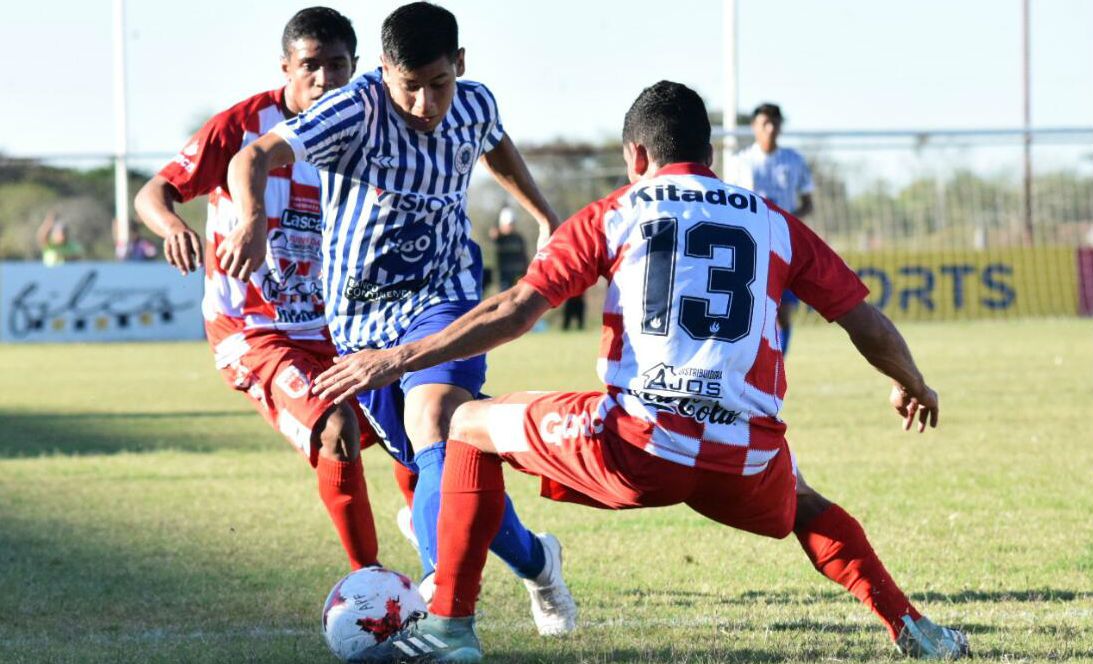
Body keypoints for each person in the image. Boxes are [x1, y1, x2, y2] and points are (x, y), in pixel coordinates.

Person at [317, 81, 971, 663]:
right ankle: (914, 629)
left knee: (460, 424)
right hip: (743, 459)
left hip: (634, 446)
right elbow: (864, 320)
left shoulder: (616, 212)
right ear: (708, 152)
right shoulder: (774, 223)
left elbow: (517, 310)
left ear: (635, 155)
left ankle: (451, 628)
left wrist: (397, 359)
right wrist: (911, 381)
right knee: (806, 505)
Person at [224, 2, 576, 636]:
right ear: (383, 71)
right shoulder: (352, 110)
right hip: (360, 322)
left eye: (438, 84)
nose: (423, 102)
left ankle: (442, 602)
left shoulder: (472, 102)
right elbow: (251, 159)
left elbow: (492, 142)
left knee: (438, 418)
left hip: (445, 297)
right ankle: (538, 561)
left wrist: (544, 214)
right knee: (438, 460)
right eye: (408, 85)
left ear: (459, 67)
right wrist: (251, 219)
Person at [134, 7, 384, 572]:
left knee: (415, 425)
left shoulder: (370, 132)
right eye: (310, 66)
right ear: (285, 67)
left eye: (337, 66)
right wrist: (174, 225)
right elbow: (153, 193)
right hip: (253, 331)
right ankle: (368, 582)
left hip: (339, 327)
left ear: (357, 67)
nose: (324, 80)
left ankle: (437, 560)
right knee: (337, 429)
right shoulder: (243, 126)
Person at [727, 103, 814, 353]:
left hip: (783, 243)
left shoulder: (794, 160)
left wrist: (787, 220)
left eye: (775, 122)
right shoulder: (740, 162)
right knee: (749, 313)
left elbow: (808, 203)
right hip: (750, 245)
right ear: (754, 127)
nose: (771, 128)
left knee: (783, 313)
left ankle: (779, 363)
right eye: (765, 123)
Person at [489, 206, 528, 291]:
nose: (510, 226)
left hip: (518, 276)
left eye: (512, 224)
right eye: (508, 224)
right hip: (504, 277)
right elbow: (492, 241)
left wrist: (525, 272)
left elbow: (524, 256)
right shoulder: (499, 238)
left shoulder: (518, 238)